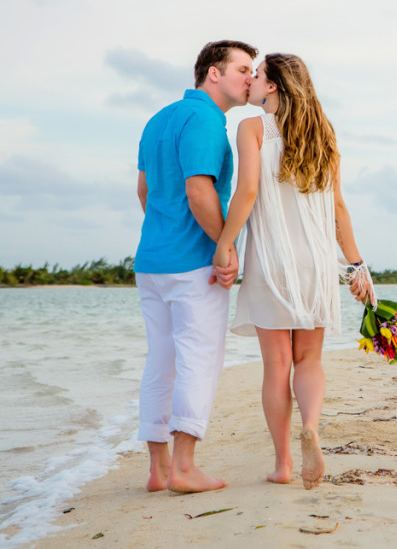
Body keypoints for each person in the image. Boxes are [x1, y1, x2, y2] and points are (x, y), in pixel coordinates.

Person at [212, 52, 375, 490]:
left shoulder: (252, 129)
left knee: (276, 363)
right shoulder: (324, 135)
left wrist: (225, 243)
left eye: (258, 75)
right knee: (309, 359)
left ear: (273, 88)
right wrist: (357, 265)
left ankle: (284, 463)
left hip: (273, 260)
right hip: (317, 263)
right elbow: (338, 206)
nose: (252, 81)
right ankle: (313, 428)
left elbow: (246, 191)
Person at [134, 39, 257, 493]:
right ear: (213, 74)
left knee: (160, 361)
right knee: (199, 361)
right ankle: (184, 468)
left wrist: (166, 234)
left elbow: (145, 191)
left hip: (151, 262)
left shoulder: (158, 119)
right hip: (192, 264)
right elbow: (200, 191)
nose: (250, 78)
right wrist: (225, 245)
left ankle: (158, 469)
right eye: (243, 69)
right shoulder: (207, 119)